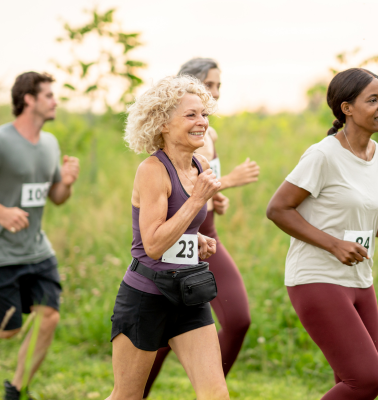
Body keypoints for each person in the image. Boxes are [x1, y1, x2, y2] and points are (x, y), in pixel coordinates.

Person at [266, 68, 378, 400]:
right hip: (317, 279)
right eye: (373, 100)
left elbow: (368, 220)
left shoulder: (377, 156)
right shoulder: (323, 155)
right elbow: (278, 209)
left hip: (361, 281)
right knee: (365, 380)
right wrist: (334, 245)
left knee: (353, 386)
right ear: (346, 108)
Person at [106, 75, 229, 400]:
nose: (202, 122)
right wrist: (196, 201)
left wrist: (195, 237)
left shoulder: (199, 165)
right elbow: (155, 244)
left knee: (216, 395)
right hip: (146, 297)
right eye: (191, 115)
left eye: (204, 114)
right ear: (162, 123)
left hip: (188, 294)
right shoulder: (152, 170)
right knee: (127, 396)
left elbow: (176, 227)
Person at [143, 58, 259, 399]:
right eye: (209, 86)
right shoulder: (174, 140)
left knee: (237, 320)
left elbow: (204, 187)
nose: (215, 94)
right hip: (175, 242)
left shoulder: (211, 135)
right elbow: (176, 193)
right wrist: (230, 181)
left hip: (208, 236)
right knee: (164, 332)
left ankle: (209, 385)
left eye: (218, 87)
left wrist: (217, 199)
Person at [0, 72, 80, 400]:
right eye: (48, 95)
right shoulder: (3, 140)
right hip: (3, 255)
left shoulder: (50, 143)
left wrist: (68, 183)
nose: (55, 100)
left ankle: (16, 390)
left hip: (36, 250)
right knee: (9, 330)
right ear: (29, 99)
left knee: (49, 316)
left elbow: (56, 198)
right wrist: (2, 213)